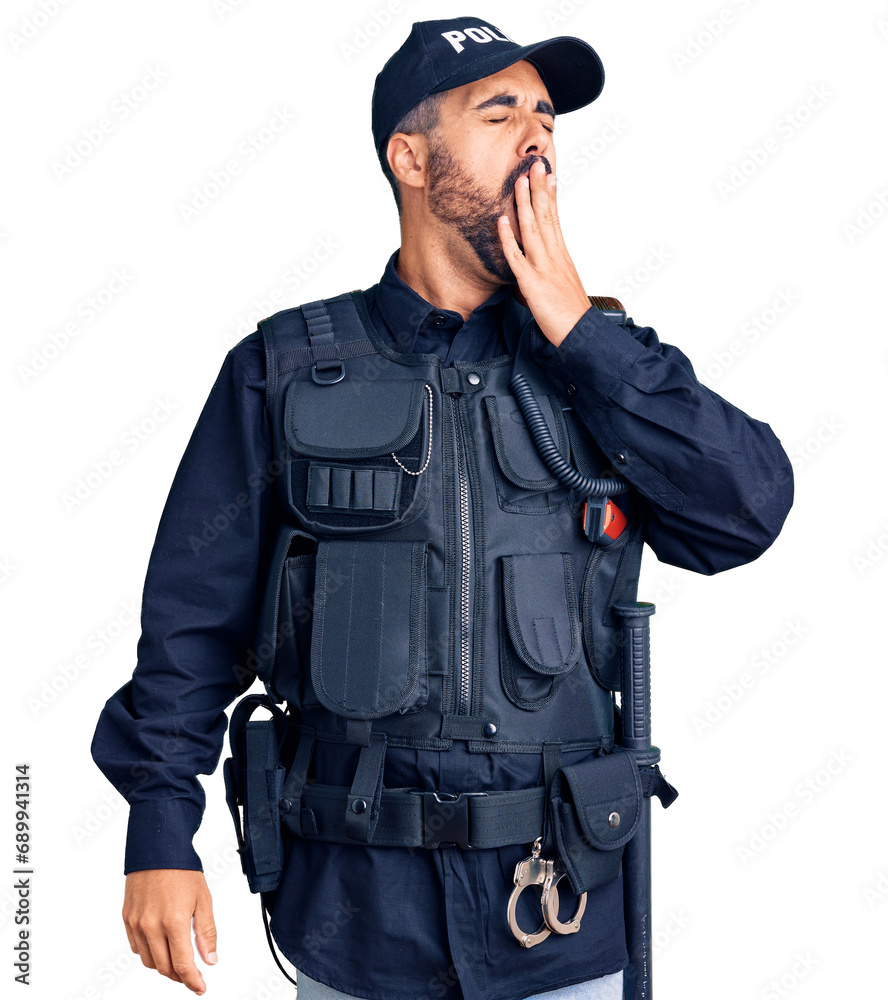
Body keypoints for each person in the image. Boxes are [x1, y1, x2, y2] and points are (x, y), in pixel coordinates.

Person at [90, 16, 794, 1000]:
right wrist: (157, 830)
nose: (537, 134)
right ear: (409, 155)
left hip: (563, 920)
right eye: (499, 111)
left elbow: (748, 510)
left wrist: (583, 339)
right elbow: (191, 628)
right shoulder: (283, 370)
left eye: (547, 116)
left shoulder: (604, 369)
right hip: (358, 921)